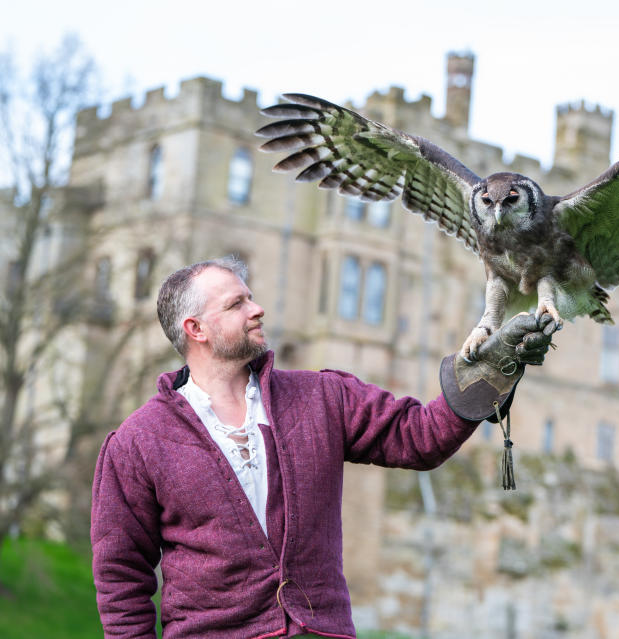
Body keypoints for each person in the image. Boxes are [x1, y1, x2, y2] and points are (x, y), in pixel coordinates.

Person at [90, 256, 554, 639]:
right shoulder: (137, 443)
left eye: (250, 297)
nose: (257, 309)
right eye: (237, 304)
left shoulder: (321, 398)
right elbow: (120, 579)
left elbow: (421, 436)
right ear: (196, 329)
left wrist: (492, 369)